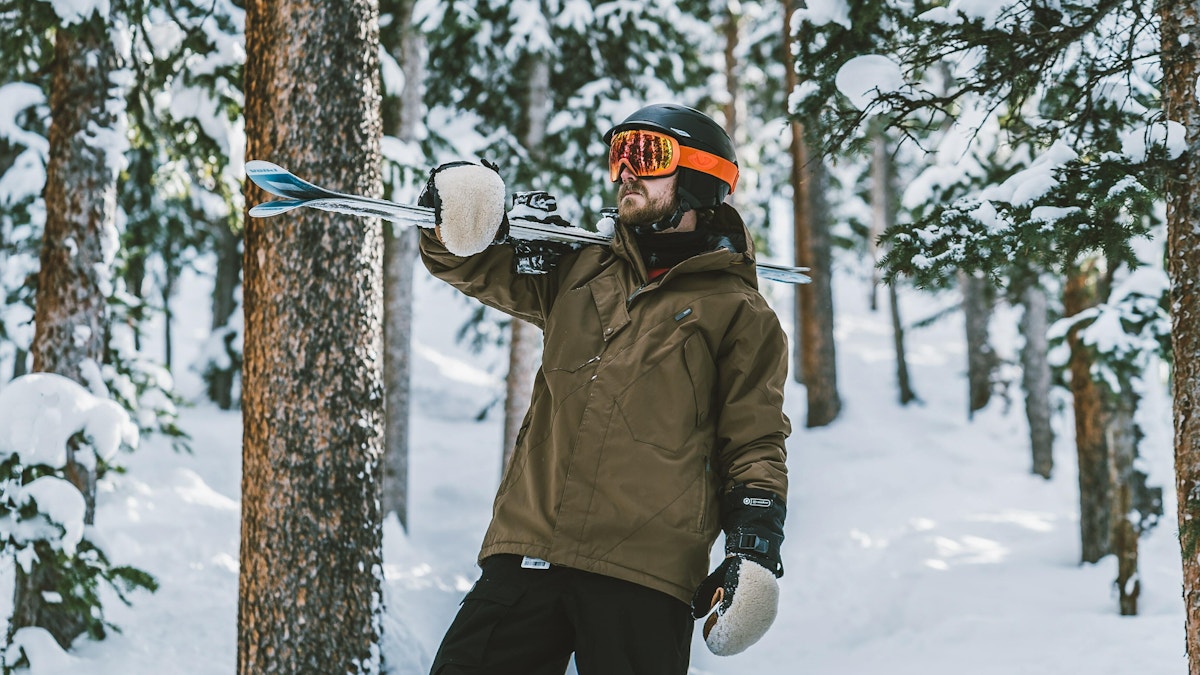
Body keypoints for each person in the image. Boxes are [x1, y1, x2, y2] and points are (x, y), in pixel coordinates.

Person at [418, 103, 790, 675]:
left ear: (698, 177)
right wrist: (461, 211)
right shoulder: (580, 270)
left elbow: (755, 443)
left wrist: (755, 547)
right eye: (620, 156)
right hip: (529, 552)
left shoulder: (740, 314)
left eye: (646, 156)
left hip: (644, 575)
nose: (626, 173)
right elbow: (469, 261)